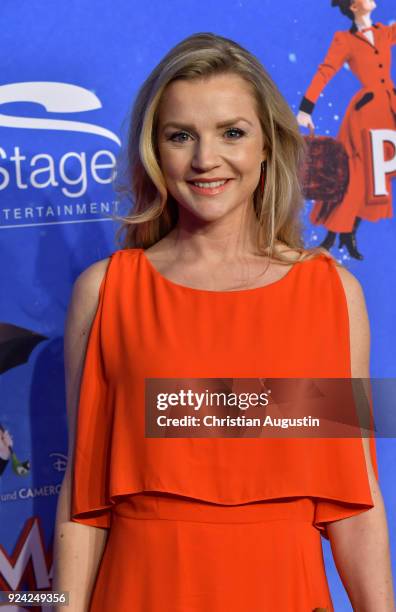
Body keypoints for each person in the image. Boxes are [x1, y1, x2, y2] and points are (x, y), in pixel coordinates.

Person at [52, 32, 395, 611]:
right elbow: (84, 497)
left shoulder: (331, 292)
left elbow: (356, 498)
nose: (205, 159)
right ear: (155, 151)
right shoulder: (105, 291)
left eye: (232, 132)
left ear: (268, 145)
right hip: (142, 589)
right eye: (181, 136)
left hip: (283, 588)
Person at [297, 0, 396, 260]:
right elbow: (325, 71)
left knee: (378, 181)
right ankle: (335, 235)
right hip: (364, 117)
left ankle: (348, 231)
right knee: (355, 177)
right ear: (353, 7)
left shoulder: (384, 32)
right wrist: (306, 109)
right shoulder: (344, 40)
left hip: (389, 113)